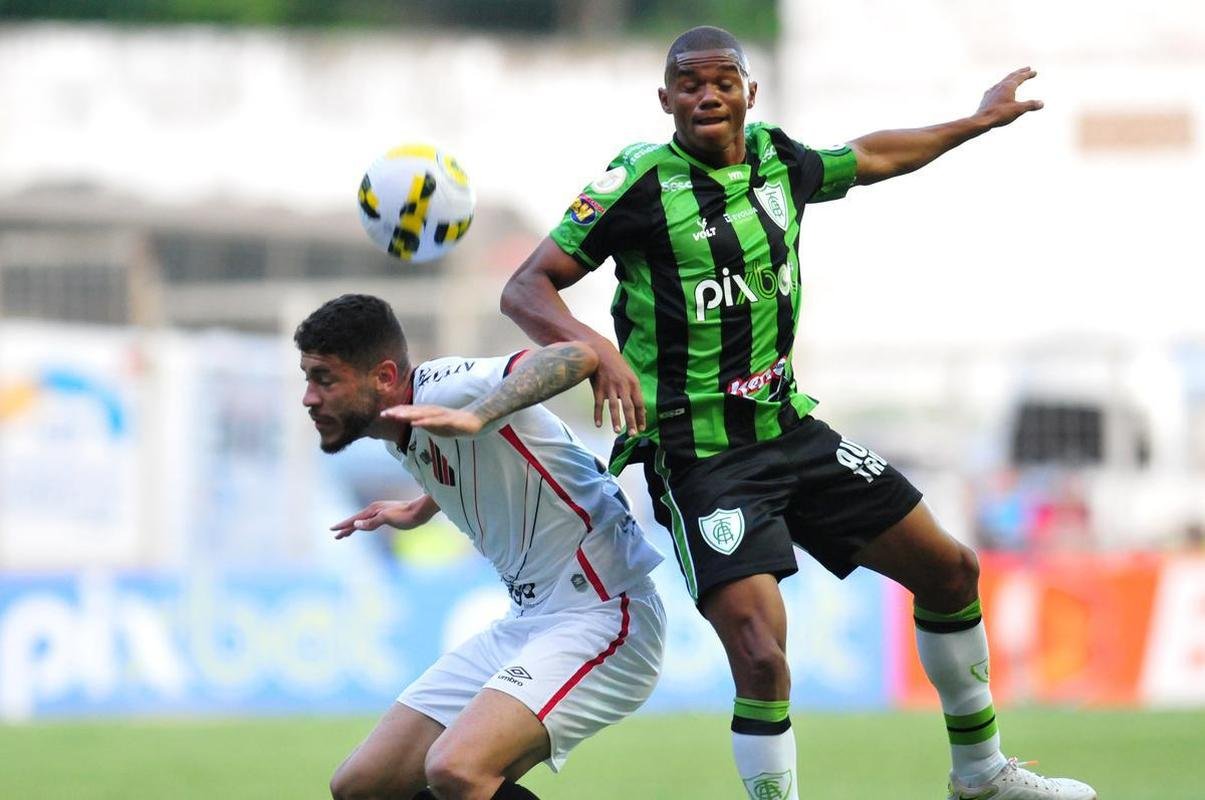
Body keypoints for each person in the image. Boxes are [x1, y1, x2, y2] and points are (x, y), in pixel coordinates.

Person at [500, 24, 1096, 800]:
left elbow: (871, 155)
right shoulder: (636, 182)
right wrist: (595, 350)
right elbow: (525, 286)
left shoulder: (781, 161)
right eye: (688, 84)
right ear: (665, 100)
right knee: (760, 654)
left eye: (721, 81)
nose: (706, 95)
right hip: (701, 455)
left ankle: (981, 777)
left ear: (750, 91)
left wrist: (971, 122)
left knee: (950, 571)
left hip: (789, 429)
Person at [295, 294, 665, 800]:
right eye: (308, 378)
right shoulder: (398, 431)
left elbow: (577, 355)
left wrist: (478, 414)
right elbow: (481, 459)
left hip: (605, 612)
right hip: (529, 622)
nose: (309, 398)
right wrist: (420, 508)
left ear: (383, 377)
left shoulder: (450, 388)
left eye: (324, 379)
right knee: (361, 786)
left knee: (457, 768)